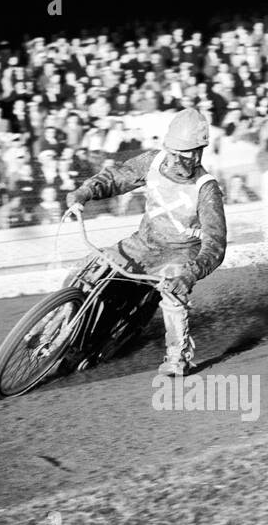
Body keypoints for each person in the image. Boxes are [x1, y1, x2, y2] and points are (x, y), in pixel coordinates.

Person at [64, 107, 226, 376]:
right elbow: (116, 177)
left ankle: (177, 357)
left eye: (184, 154)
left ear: (198, 153)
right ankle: (61, 328)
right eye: (172, 152)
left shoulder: (206, 188)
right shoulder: (152, 161)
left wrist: (190, 274)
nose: (175, 160)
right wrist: (85, 191)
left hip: (179, 253)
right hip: (142, 243)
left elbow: (216, 245)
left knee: (173, 292)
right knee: (87, 270)